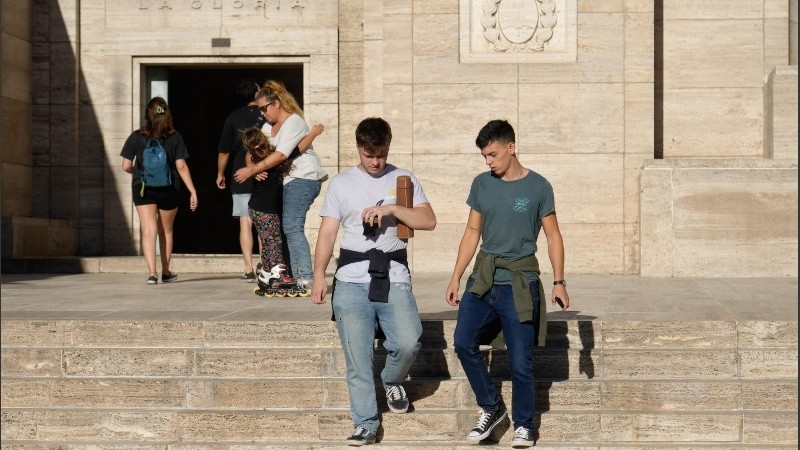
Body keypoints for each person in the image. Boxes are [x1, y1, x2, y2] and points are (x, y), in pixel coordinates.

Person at [311, 117, 436, 446]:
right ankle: (365, 423)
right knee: (357, 359)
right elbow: (327, 233)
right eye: (369, 155)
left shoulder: (404, 178)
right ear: (358, 148)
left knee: (410, 341)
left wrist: (393, 208)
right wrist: (318, 277)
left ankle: (392, 379)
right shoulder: (340, 184)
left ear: (388, 148)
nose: (376, 161)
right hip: (350, 280)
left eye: (381, 154)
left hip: (394, 275)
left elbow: (429, 220)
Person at [444, 119, 569, 448]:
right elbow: (472, 232)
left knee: (520, 361)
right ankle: (491, 407)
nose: (489, 161)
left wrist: (558, 281)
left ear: (512, 148)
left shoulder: (539, 187)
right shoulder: (481, 185)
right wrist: (457, 275)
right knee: (462, 342)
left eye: (493, 154)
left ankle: (525, 425)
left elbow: (554, 235)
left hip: (519, 283)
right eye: (485, 156)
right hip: (483, 280)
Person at [233, 80, 327, 289]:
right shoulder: (268, 126)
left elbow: (282, 155)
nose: (262, 114)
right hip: (287, 180)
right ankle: (288, 274)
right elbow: (252, 149)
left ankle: (306, 277)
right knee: (282, 230)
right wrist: (253, 166)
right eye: (259, 110)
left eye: (264, 108)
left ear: (276, 104)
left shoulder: (294, 122)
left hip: (303, 178)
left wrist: (253, 170)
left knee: (292, 227)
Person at [121, 96, 198, 285]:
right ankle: (165, 271)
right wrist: (192, 191)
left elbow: (125, 166)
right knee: (166, 231)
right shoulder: (175, 137)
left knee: (149, 230)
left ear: (148, 114)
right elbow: (181, 167)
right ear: (167, 114)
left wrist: (137, 172)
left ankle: (152, 274)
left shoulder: (136, 136)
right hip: (169, 188)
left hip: (143, 188)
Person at [216, 79, 266, 282]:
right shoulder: (267, 115)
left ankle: (248, 268)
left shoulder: (233, 117)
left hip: (240, 172)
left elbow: (224, 150)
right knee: (263, 222)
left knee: (245, 222)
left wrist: (220, 173)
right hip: (264, 171)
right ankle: (265, 265)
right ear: (257, 92)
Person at [240, 127, 296, 292]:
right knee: (273, 242)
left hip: (262, 207)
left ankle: (265, 273)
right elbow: (250, 158)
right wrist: (252, 170)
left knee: (268, 241)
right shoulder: (260, 158)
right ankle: (278, 275)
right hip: (263, 208)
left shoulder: (265, 157)